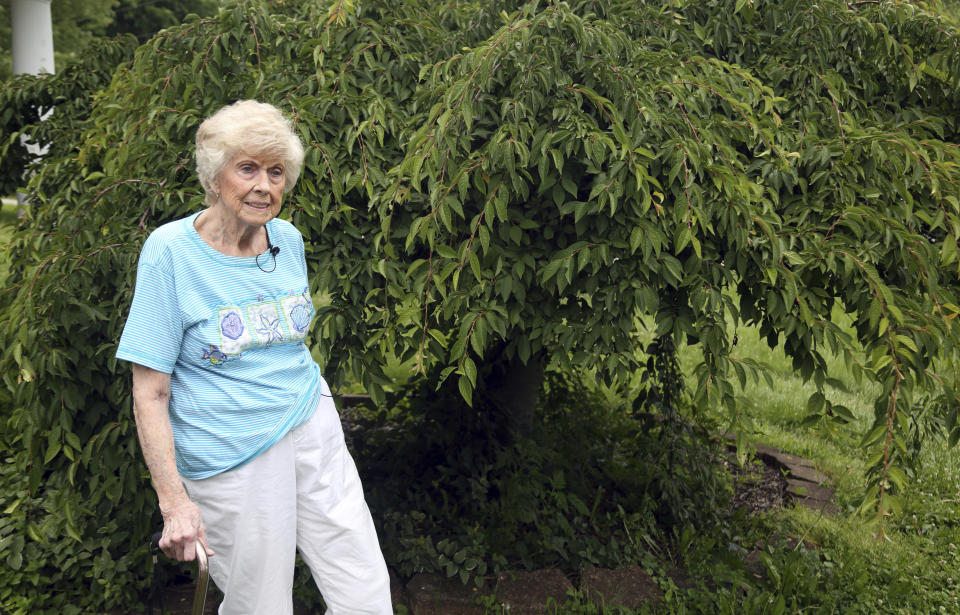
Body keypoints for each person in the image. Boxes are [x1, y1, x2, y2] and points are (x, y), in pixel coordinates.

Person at [116, 100, 392, 614]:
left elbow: (287, 341)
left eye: (276, 171)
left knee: (364, 587)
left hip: (311, 422)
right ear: (215, 177)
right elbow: (149, 390)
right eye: (248, 169)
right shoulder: (170, 252)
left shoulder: (287, 239)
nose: (264, 185)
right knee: (260, 604)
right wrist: (174, 503)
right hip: (230, 449)